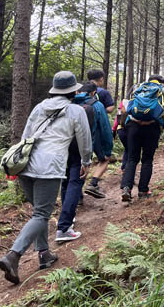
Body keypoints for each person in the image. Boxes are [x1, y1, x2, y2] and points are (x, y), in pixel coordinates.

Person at [0, 71, 92, 285]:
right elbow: (85, 140)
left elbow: (25, 137)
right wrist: (86, 161)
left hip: (26, 165)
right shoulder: (76, 110)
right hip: (49, 167)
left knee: (38, 213)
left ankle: (44, 254)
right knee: (41, 214)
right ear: (73, 91)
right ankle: (13, 256)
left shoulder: (39, 107)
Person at [55, 85, 96, 242]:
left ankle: (67, 218)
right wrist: (86, 160)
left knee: (65, 182)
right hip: (77, 150)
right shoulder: (85, 109)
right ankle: (64, 227)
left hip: (60, 149)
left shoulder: (48, 107)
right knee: (75, 183)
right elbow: (86, 135)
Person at [121, 75, 164, 202]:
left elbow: (126, 107)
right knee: (147, 159)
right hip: (152, 127)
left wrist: (123, 125)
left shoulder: (138, 87)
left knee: (132, 158)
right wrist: (162, 126)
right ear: (161, 82)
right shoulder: (163, 90)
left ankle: (126, 188)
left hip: (133, 126)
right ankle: (143, 190)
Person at [82, 82, 115, 199]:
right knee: (104, 160)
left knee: (79, 164)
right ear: (93, 93)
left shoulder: (72, 103)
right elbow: (105, 127)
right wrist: (108, 148)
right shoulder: (97, 105)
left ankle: (77, 195)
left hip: (75, 141)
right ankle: (93, 183)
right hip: (94, 138)